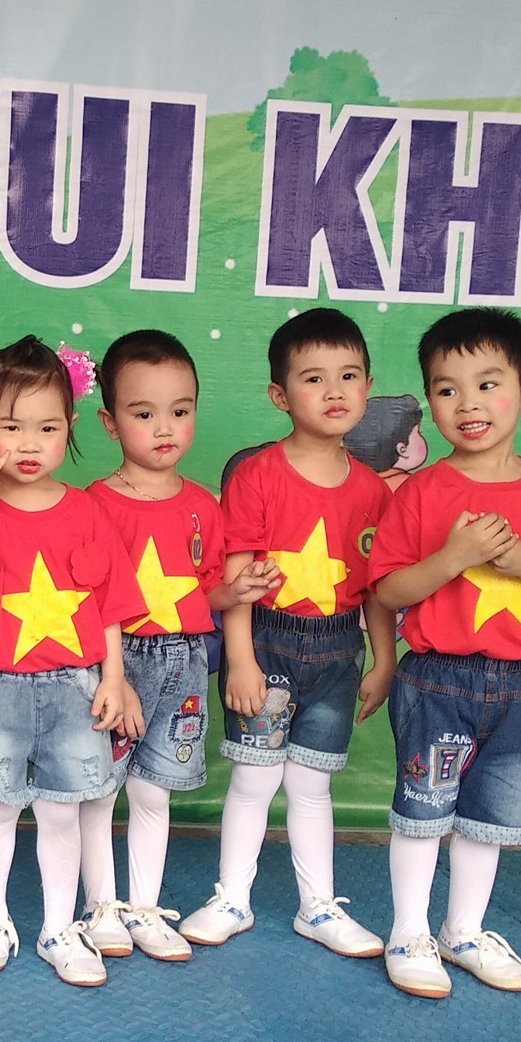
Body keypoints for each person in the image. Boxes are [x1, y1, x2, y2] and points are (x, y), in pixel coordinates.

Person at [367, 309, 521, 998]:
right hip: (436, 679)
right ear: (430, 400)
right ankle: (409, 932)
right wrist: (455, 556)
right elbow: (387, 589)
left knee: (489, 818)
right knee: (423, 809)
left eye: (488, 384)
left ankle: (463, 931)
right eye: (447, 390)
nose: (468, 404)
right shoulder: (421, 491)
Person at [182, 309, 396, 960]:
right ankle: (232, 898)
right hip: (267, 645)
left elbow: (378, 588)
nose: (334, 391)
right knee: (254, 780)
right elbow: (238, 580)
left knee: (310, 785)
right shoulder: (257, 476)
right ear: (280, 395)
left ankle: (317, 907)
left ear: (368, 386)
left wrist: (383, 659)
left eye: (349, 376)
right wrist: (241, 660)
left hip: (338, 651)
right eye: (313, 378)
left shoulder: (373, 491)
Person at [0, 337, 138, 988]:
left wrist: (113, 677)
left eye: (47, 428)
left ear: (71, 427)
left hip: (76, 687)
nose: (29, 443)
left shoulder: (88, 511)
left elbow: (109, 604)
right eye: (11, 426)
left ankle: (58, 927)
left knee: (62, 811)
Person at [80, 329, 275, 963]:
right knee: (100, 790)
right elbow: (88, 601)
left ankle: (143, 907)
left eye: (180, 410)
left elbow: (203, 590)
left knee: (153, 791)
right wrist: (113, 677)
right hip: (116, 663)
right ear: (110, 423)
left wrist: (234, 591)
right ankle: (101, 907)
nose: (165, 428)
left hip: (184, 661)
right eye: (144, 414)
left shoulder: (203, 506)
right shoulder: (93, 505)